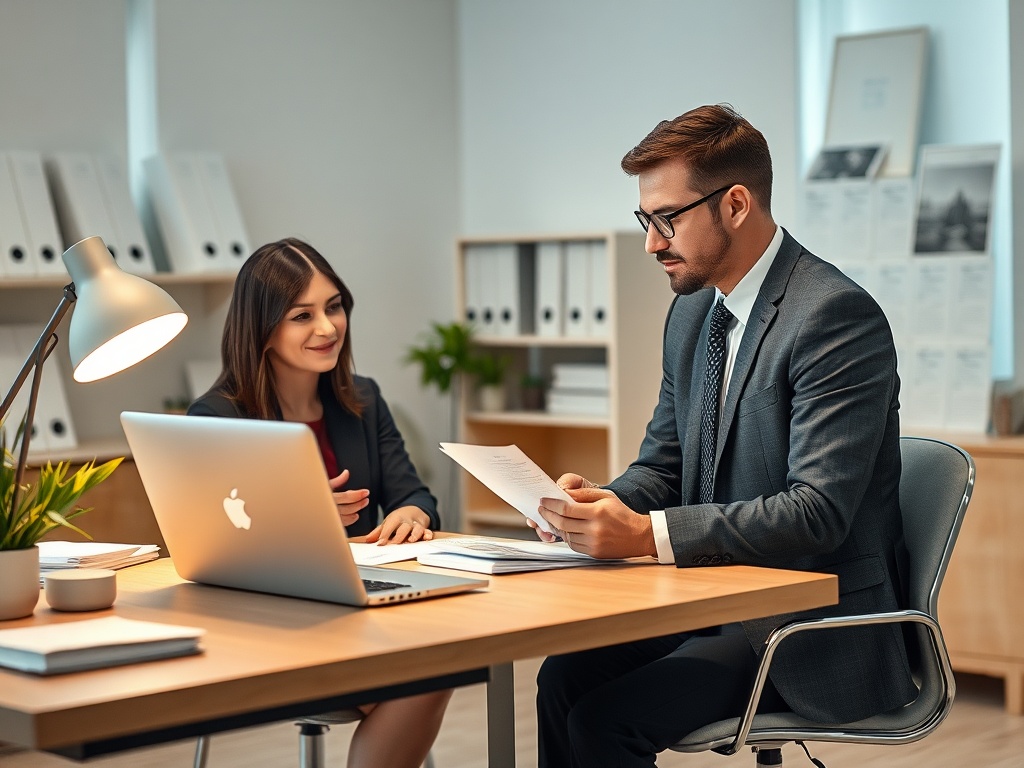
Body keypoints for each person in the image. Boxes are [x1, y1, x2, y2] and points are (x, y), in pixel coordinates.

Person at [532, 104, 915, 767]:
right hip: (712, 596)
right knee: (561, 677)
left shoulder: (833, 317)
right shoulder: (692, 315)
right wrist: (601, 505)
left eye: (667, 219)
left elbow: (816, 514)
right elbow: (665, 465)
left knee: (605, 721)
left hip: (805, 622)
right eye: (644, 220)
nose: (652, 242)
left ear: (735, 204)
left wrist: (645, 537)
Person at [188, 237, 449, 768]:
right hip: (268, 621)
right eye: (301, 315)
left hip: (359, 608)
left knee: (441, 665)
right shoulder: (217, 418)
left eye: (333, 307)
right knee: (425, 678)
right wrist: (300, 519)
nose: (327, 327)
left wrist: (410, 513)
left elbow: (415, 493)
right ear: (261, 330)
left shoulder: (365, 399)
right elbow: (209, 549)